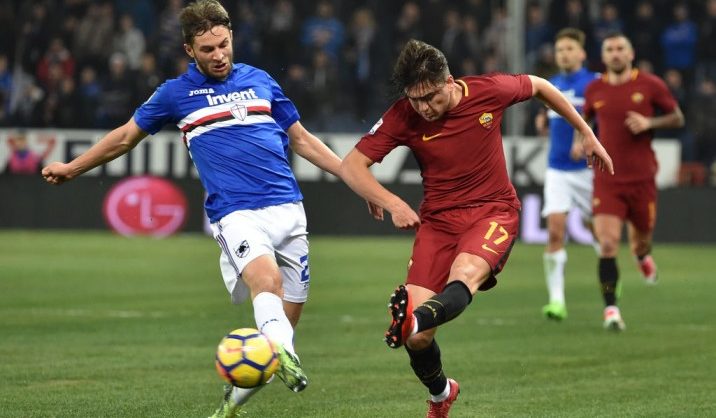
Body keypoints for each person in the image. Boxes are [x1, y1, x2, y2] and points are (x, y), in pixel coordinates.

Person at [41, 1, 344, 416]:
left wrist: (355, 179)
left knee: (278, 336)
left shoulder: (261, 80)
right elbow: (125, 137)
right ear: (189, 50)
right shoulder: (175, 94)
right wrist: (73, 168)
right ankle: (285, 357)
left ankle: (232, 403)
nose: (218, 55)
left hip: (290, 211)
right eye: (207, 49)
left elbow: (303, 140)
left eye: (223, 45)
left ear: (232, 37)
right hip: (235, 212)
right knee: (266, 281)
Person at [340, 39, 613, 418]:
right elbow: (351, 166)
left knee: (464, 275)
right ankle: (441, 393)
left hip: (492, 212)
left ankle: (411, 320)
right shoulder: (404, 115)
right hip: (438, 223)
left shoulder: (488, 91)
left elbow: (540, 86)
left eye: (431, 97)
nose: (424, 107)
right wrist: (392, 202)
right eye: (416, 100)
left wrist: (585, 131)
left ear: (450, 82)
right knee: (418, 339)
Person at [581, 32, 684, 331]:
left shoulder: (651, 84)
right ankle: (611, 309)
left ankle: (642, 256)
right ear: (604, 56)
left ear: (630, 54)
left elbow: (677, 117)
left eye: (620, 48)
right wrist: (581, 139)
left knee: (640, 241)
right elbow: (585, 120)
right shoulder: (594, 89)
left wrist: (650, 122)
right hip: (607, 179)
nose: (615, 53)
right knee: (608, 244)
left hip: (641, 179)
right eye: (609, 49)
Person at [534, 28, 599, 321]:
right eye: (560, 50)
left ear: (582, 53)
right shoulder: (552, 84)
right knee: (555, 230)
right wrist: (541, 121)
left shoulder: (595, 83)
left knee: (600, 232)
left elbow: (599, 116)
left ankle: (610, 282)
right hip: (557, 168)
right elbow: (549, 115)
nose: (564, 54)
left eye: (570, 49)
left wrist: (583, 138)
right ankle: (556, 301)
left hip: (588, 169)